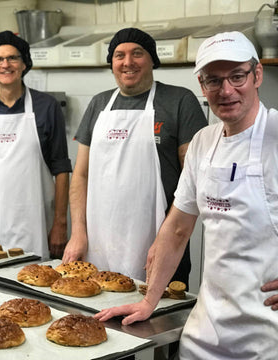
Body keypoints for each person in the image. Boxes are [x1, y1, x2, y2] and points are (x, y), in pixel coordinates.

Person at [95, 31, 278, 359]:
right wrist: (149, 300)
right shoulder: (204, 142)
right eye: (212, 80)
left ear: (257, 74)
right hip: (207, 328)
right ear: (201, 85)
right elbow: (177, 228)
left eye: (237, 76)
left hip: (269, 331)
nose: (226, 90)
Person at [62, 28, 207, 285]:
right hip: (98, 244)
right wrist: (78, 233)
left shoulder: (179, 101)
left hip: (159, 242)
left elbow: (192, 181)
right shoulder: (98, 103)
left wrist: (167, 240)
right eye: (119, 55)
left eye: (137, 54)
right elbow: (81, 175)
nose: (128, 62)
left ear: (152, 59)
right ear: (112, 64)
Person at [0, 31, 72, 259]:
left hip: (33, 223)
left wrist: (60, 224)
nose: (5, 65)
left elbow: (61, 169)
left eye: (12, 58)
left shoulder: (47, 106)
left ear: (24, 65)